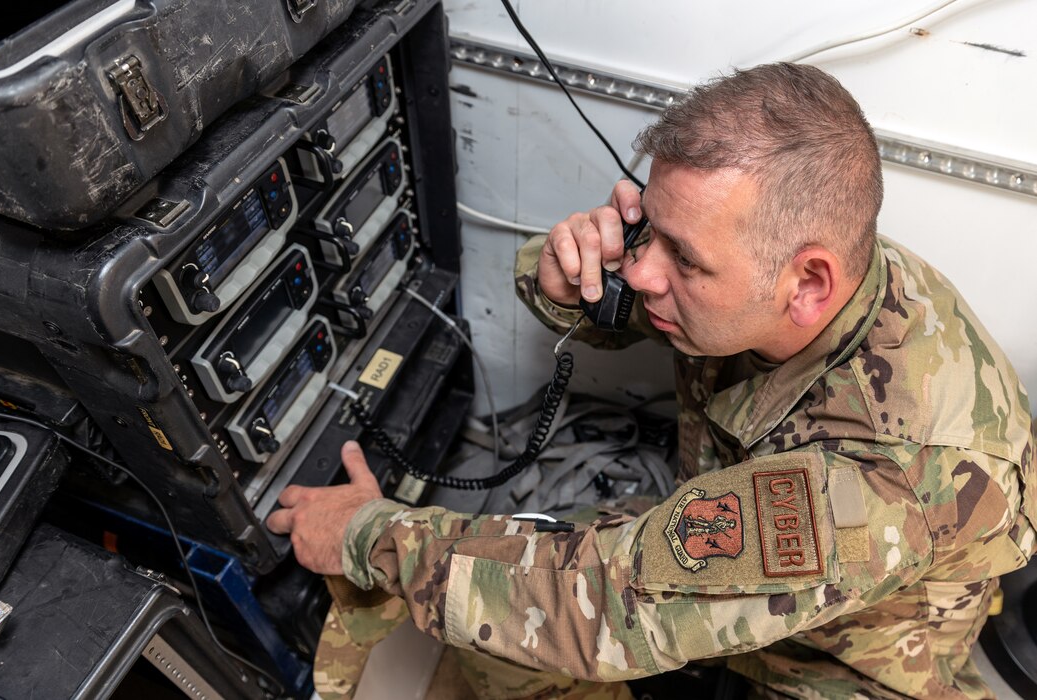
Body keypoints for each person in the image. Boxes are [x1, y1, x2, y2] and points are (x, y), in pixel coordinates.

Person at [266, 62, 1037, 699]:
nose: (639, 269)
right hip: (718, 551)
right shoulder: (792, 259)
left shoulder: (892, 474)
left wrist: (368, 535)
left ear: (808, 285)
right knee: (500, 633)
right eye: (647, 231)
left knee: (527, 612)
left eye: (681, 257)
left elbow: (609, 605)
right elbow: (603, 281)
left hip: (824, 669)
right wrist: (564, 275)